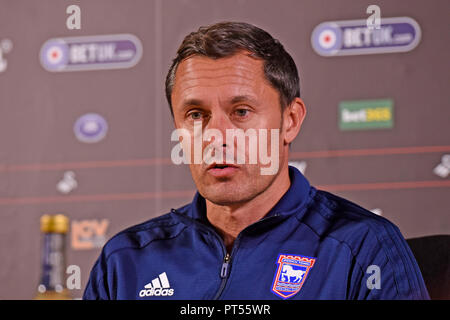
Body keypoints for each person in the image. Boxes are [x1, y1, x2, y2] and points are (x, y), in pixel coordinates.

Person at [83, 21, 429, 300]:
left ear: (290, 120)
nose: (215, 135)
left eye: (242, 111)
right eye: (195, 114)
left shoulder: (362, 248)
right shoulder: (125, 260)